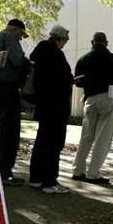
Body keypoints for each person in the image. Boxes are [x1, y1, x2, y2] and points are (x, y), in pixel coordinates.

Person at [71, 32, 113, 184]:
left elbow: (78, 81)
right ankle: (93, 173)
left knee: (86, 137)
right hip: (108, 98)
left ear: (92, 42)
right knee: (103, 138)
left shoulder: (84, 59)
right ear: (106, 43)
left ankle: (78, 170)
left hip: (90, 98)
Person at [28, 26, 73, 193]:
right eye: (65, 40)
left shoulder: (39, 51)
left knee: (41, 141)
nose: (65, 43)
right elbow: (63, 78)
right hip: (56, 105)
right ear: (60, 39)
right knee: (54, 144)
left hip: (43, 104)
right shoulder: (56, 54)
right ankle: (49, 181)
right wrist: (71, 80)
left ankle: (36, 178)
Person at [0, 19, 30, 186]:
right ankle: (5, 173)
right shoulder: (9, 37)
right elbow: (19, 61)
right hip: (7, 89)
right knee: (9, 132)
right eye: (21, 34)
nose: (20, 38)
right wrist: (29, 65)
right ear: (15, 28)